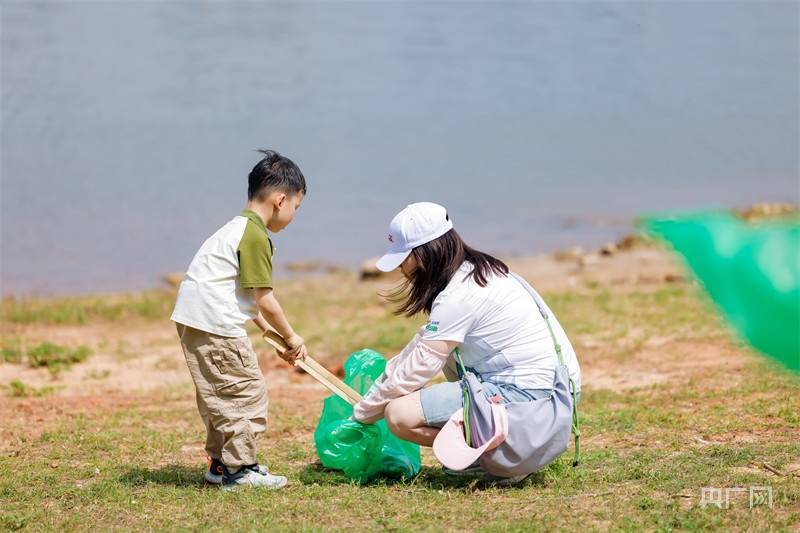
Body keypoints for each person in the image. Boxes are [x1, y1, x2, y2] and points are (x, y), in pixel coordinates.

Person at [352, 202, 582, 483]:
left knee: (399, 414)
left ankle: (497, 463)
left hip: (534, 401)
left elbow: (419, 367)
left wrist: (362, 415)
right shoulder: (480, 272)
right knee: (442, 362)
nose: (400, 267)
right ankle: (502, 455)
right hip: (559, 391)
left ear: (426, 253)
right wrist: (376, 394)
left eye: (404, 257)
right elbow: (420, 349)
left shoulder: (458, 296)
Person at [171, 149, 308, 491]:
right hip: (214, 323)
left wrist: (266, 332)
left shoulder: (236, 228)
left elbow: (241, 295)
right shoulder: (256, 236)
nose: (294, 215)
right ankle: (240, 470)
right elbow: (265, 297)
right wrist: (292, 336)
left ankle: (220, 464)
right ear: (281, 199)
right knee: (246, 394)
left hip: (196, 318)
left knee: (221, 395)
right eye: (296, 207)